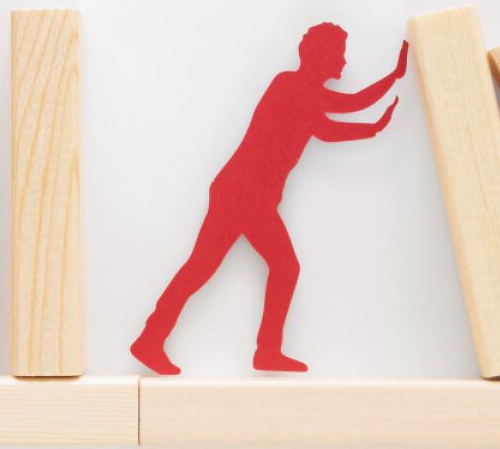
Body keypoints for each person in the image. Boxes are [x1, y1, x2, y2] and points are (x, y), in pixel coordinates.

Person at [131, 22, 408, 374]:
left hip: (241, 192)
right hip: (245, 194)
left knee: (205, 268)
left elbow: (351, 103)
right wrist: (375, 124)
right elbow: (330, 125)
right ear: (320, 56)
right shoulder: (290, 86)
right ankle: (261, 350)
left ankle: (153, 339)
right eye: (338, 54)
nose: (343, 62)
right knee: (279, 267)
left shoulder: (302, 90)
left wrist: (394, 78)